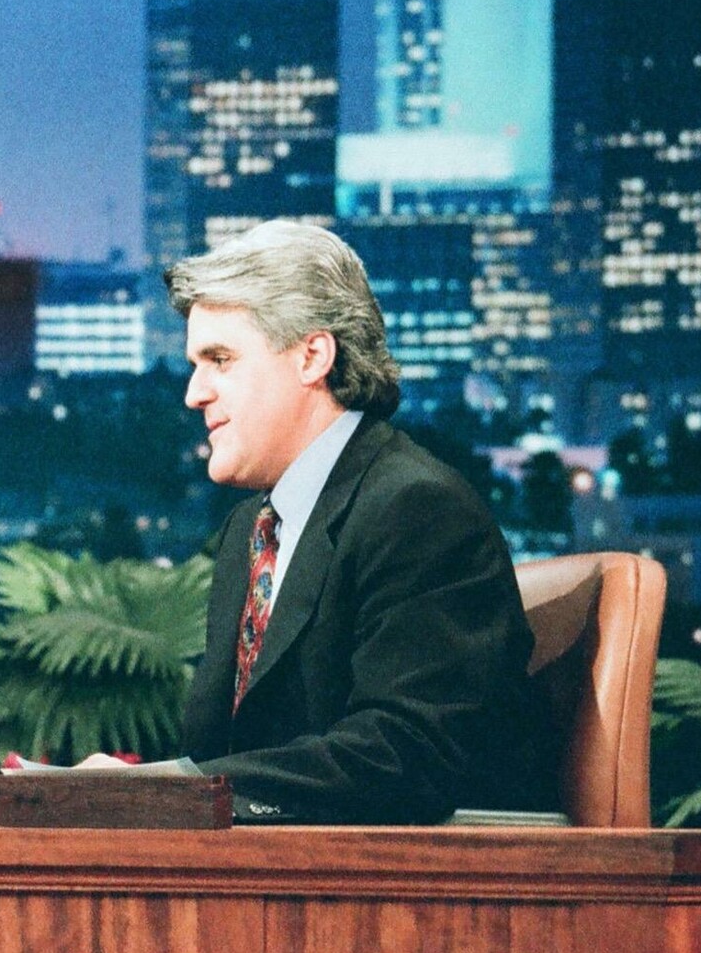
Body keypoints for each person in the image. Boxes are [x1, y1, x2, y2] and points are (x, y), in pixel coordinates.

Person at [160, 220, 554, 823]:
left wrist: (170, 789)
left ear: (312, 357)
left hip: (425, 875)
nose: (195, 393)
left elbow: (407, 752)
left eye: (220, 359)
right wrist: (132, 789)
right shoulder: (250, 530)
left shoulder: (418, 510)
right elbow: (220, 759)